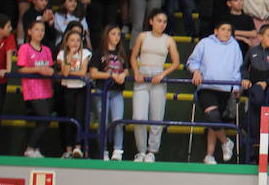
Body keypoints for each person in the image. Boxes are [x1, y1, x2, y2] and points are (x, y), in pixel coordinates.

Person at [186, 19, 244, 164]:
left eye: (229, 30)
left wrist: (236, 87)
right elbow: (192, 61)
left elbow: (237, 68)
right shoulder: (205, 43)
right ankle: (226, 141)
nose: (226, 32)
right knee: (212, 115)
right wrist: (196, 72)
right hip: (206, 87)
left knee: (214, 121)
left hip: (225, 88)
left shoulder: (234, 46)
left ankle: (209, 155)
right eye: (223, 29)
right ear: (216, 31)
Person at [130, 9, 181, 163]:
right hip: (142, 76)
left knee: (156, 117)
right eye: (158, 20)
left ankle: (152, 151)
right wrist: (137, 72)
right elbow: (133, 56)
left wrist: (162, 74)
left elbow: (176, 62)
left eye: (164, 21)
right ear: (151, 21)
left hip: (159, 78)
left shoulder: (168, 40)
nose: (161, 24)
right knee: (139, 117)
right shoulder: (142, 36)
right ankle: (141, 151)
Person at [16, 19, 57, 158]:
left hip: (47, 90)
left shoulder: (46, 50)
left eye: (42, 30)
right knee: (45, 118)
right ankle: (30, 148)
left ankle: (35, 148)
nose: (40, 33)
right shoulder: (25, 48)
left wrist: (51, 71)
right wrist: (38, 69)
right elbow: (21, 69)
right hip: (33, 90)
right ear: (29, 31)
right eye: (37, 30)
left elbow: (51, 67)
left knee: (43, 120)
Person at [91, 25, 129, 160]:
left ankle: (118, 150)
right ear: (107, 35)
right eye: (113, 34)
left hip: (117, 92)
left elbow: (126, 69)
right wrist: (111, 75)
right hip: (103, 91)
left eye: (119, 34)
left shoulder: (121, 54)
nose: (117, 37)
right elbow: (94, 72)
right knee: (103, 121)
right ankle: (104, 150)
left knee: (118, 121)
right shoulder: (99, 52)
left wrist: (123, 74)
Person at [55, 27, 92, 158]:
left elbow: (83, 72)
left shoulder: (85, 53)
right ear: (66, 42)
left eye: (78, 40)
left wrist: (71, 72)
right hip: (67, 90)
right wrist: (69, 55)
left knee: (79, 118)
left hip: (81, 89)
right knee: (69, 118)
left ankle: (78, 147)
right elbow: (64, 73)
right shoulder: (62, 54)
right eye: (72, 40)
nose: (75, 43)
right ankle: (68, 149)